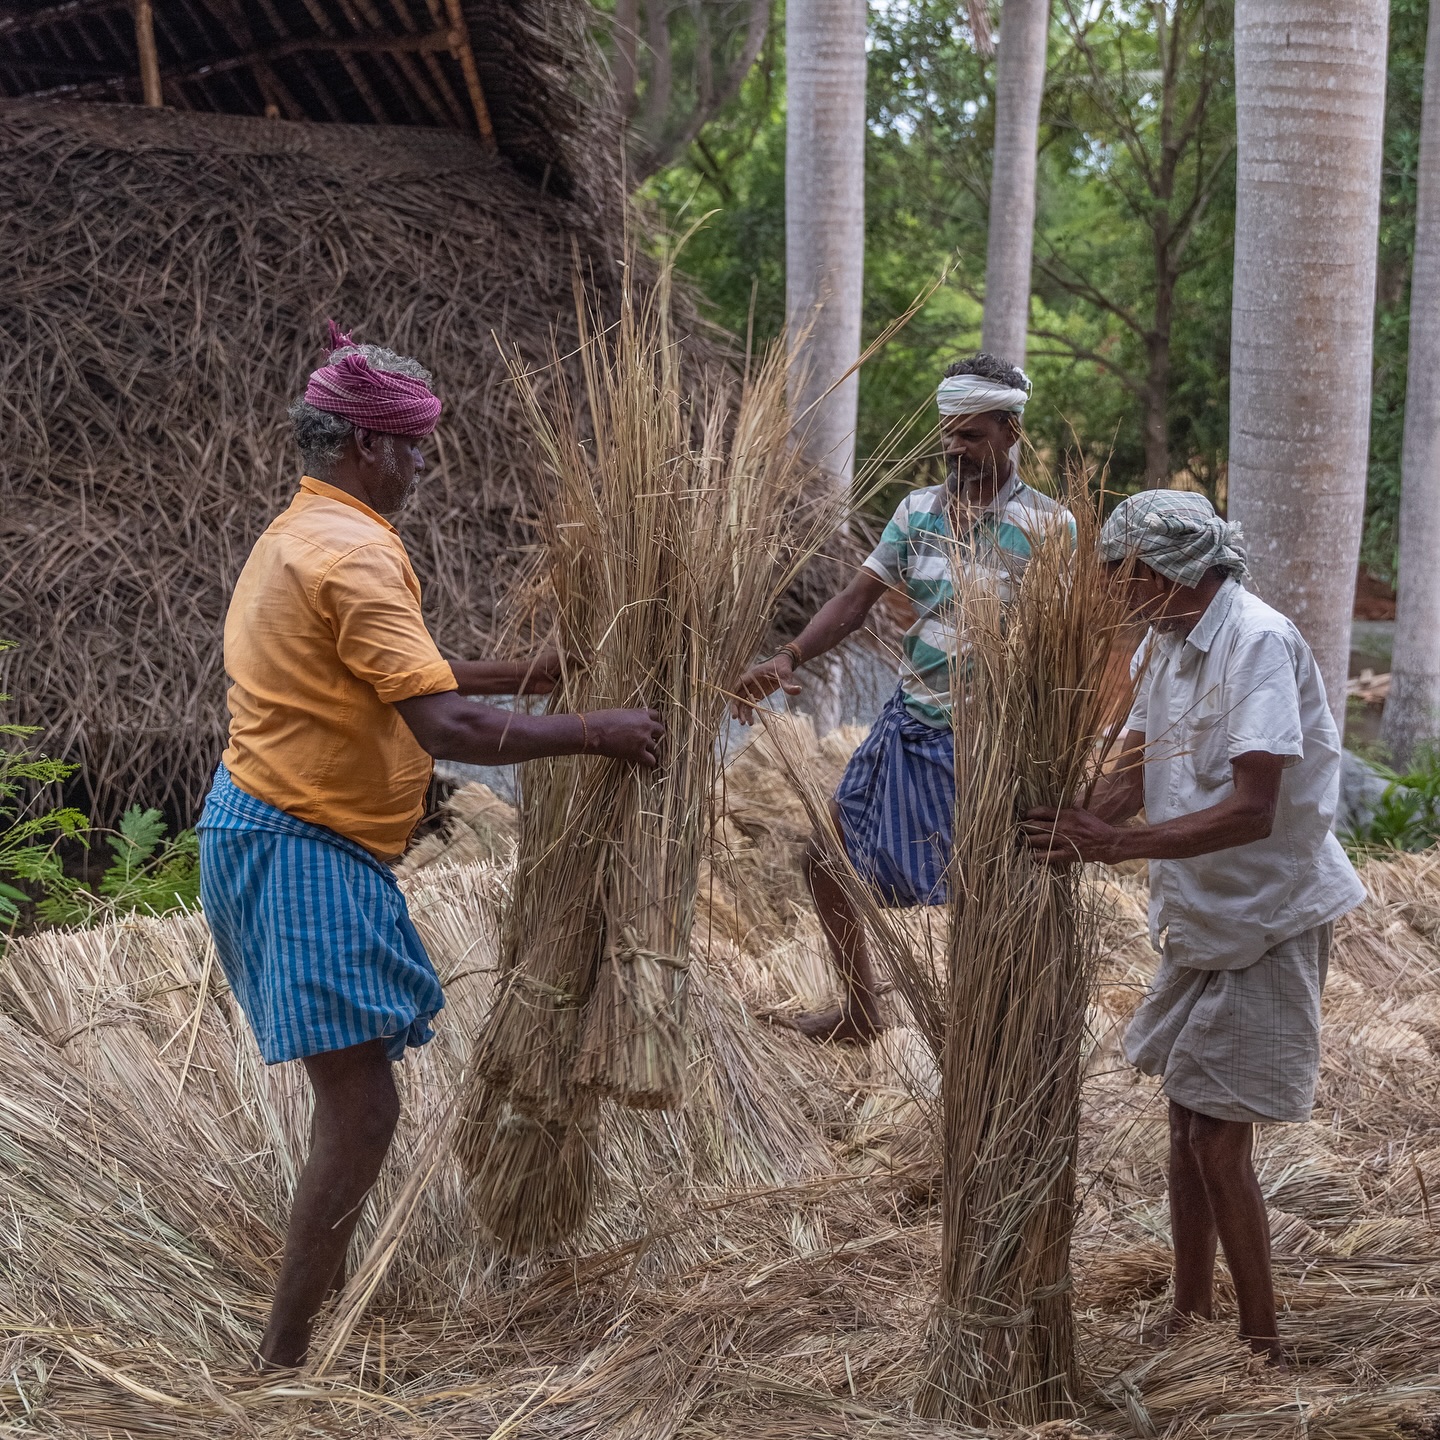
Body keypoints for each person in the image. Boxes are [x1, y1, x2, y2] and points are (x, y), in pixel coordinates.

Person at [197, 325, 663, 1369]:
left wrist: (528, 672)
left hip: (274, 829)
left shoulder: (303, 533)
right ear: (367, 446)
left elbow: (404, 676)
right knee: (360, 1113)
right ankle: (281, 1362)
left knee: (358, 1101)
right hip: (298, 845)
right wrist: (602, 729)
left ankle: (303, 1330)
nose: (419, 469)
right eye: (411, 451)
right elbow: (442, 728)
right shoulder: (357, 552)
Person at [1020, 489, 1365, 1364]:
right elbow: (1131, 770)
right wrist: (1065, 831)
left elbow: (1255, 808)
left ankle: (1261, 1346)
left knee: (1216, 1135)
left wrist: (1113, 846)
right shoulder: (1165, 643)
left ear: (1157, 571)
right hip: (1204, 912)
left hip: (1270, 913)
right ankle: (1189, 1312)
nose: (1106, 589)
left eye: (1113, 572)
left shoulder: (1255, 641)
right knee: (1185, 1119)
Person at [733, 353, 1073, 1043]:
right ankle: (861, 1013)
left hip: (990, 743)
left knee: (981, 891)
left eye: (970, 435)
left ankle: (986, 1034)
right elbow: (856, 601)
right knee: (825, 860)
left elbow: (1068, 651)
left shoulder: (1050, 528)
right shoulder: (918, 512)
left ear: (1009, 432)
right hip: (908, 722)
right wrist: (788, 656)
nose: (953, 448)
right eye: (947, 433)